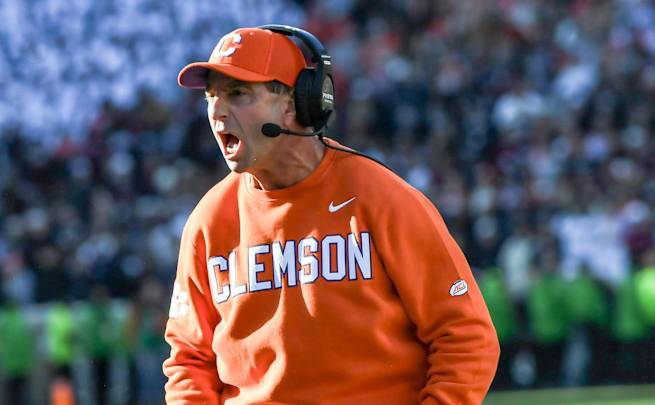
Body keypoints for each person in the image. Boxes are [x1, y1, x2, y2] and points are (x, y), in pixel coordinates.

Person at [163, 24, 500, 404]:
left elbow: (467, 336)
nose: (217, 111)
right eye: (211, 96)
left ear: (294, 104)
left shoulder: (380, 198)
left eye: (238, 94)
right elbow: (189, 361)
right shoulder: (209, 220)